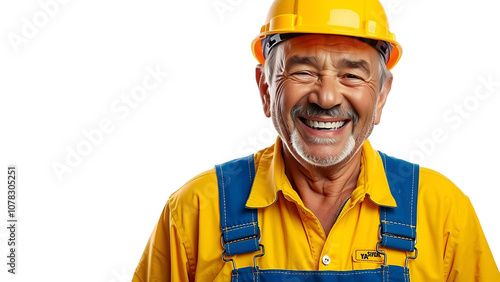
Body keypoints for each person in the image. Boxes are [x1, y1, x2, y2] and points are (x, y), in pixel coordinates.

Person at [132, 0, 500, 281]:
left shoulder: (442, 211)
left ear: (383, 95)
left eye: (352, 76)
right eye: (303, 71)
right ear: (265, 88)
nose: (326, 98)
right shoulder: (196, 210)